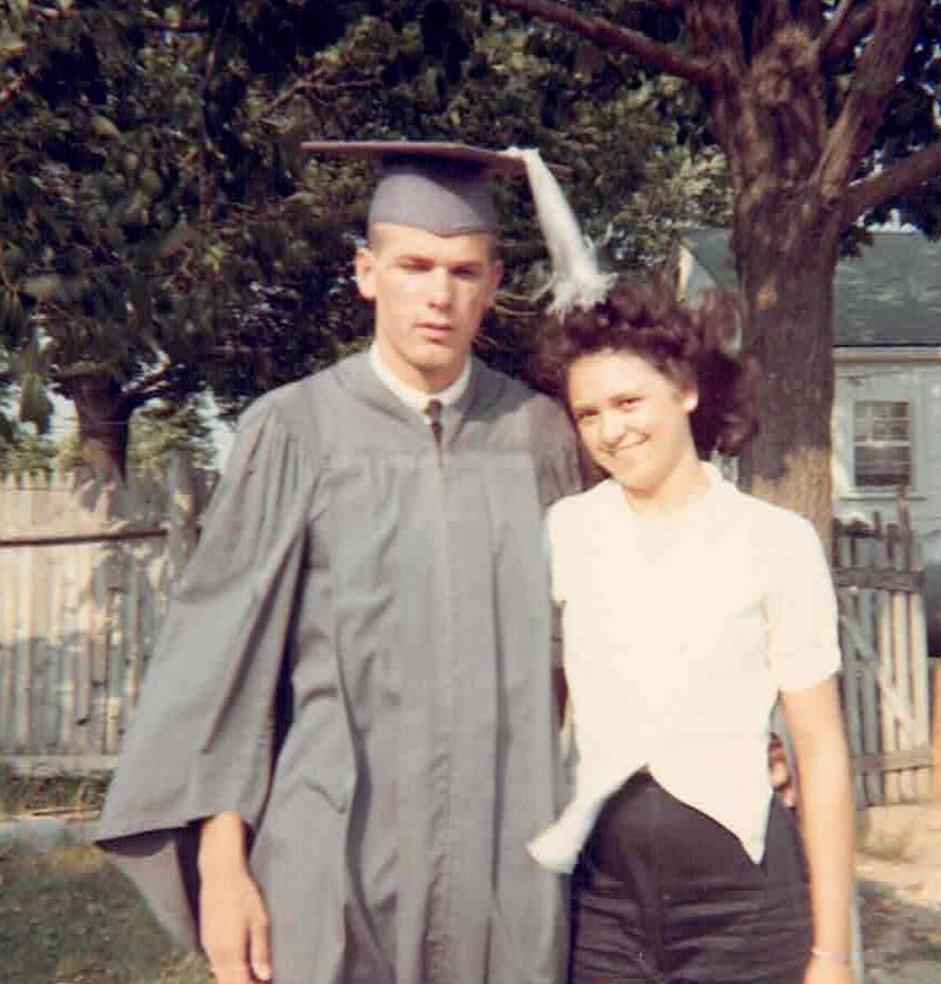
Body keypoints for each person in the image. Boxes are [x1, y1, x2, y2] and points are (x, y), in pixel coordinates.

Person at [96, 142, 583, 984]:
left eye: (465, 271)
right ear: (366, 272)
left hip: (507, 852)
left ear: (496, 284)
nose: (440, 294)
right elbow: (226, 666)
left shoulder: (541, 435)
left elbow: (619, 620)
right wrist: (222, 865)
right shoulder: (294, 431)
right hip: (330, 852)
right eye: (415, 265)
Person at [527, 275, 856, 984]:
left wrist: (832, 954)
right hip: (602, 905)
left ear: (685, 389)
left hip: (744, 907)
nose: (610, 430)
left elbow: (822, 754)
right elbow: (539, 701)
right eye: (588, 414)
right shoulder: (567, 533)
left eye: (627, 401)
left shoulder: (775, 540)